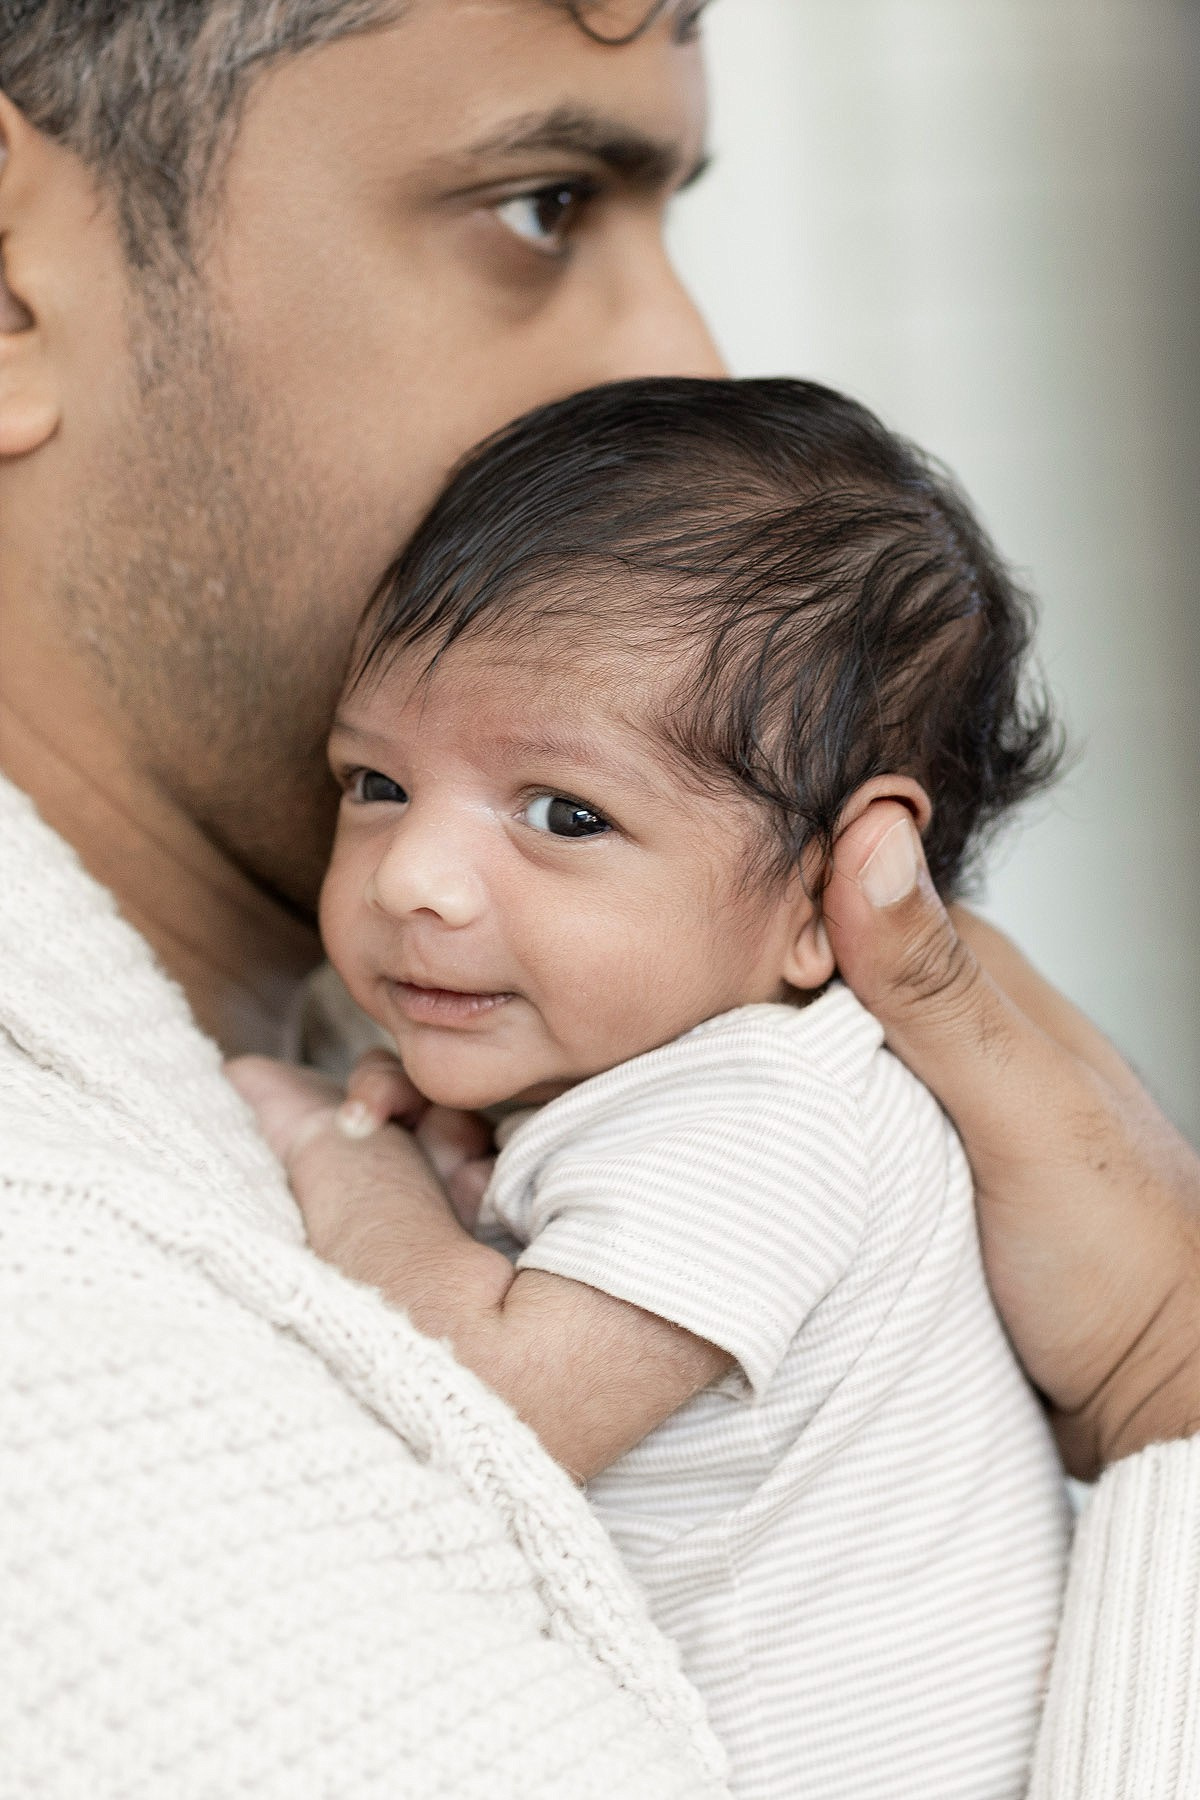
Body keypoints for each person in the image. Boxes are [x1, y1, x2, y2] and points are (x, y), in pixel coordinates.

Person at [0, 3, 1197, 1796]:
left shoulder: (607, 1064)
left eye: (561, 810)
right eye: (545, 204)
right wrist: (1170, 1388)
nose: (693, 359)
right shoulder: (77, 1359)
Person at [231, 373, 1075, 1800]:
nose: (416, 881)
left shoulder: (774, 1106)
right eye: (373, 784)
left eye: (564, 814)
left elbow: (491, 1407)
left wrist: (349, 1155)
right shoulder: (646, 1064)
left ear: (831, 891)